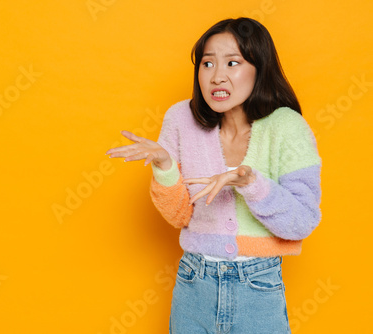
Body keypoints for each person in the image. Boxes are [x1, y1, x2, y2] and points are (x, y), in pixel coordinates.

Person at [105, 17, 321, 333]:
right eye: (207, 64)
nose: (217, 76)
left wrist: (251, 184)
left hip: (258, 290)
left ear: (260, 69)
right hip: (194, 285)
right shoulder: (180, 119)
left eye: (232, 63)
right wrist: (165, 167)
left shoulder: (287, 127)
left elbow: (302, 221)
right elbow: (180, 215)